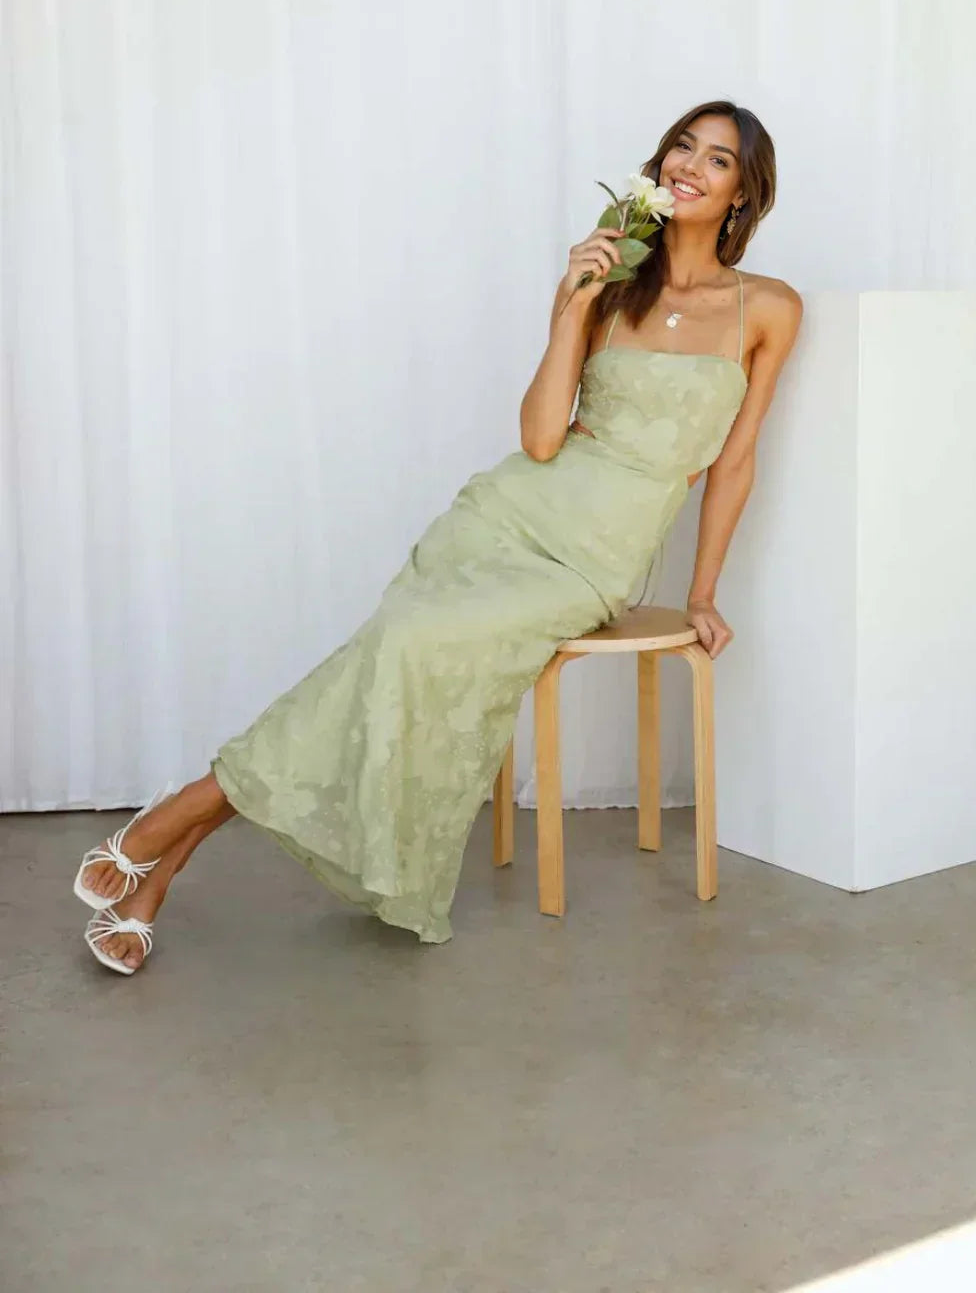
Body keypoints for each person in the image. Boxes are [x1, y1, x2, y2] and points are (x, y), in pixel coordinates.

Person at [74, 99, 803, 972]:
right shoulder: (607, 284)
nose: (691, 164)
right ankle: (158, 868)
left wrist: (701, 593)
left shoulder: (768, 308)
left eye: (718, 159)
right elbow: (541, 438)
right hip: (509, 513)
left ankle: (170, 826)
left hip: (594, 556)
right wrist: (573, 306)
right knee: (393, 641)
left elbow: (734, 462)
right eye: (683, 146)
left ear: (741, 193)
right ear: (657, 164)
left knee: (408, 642)